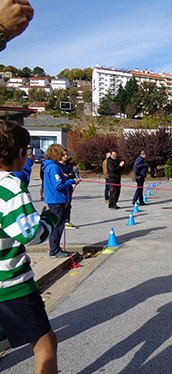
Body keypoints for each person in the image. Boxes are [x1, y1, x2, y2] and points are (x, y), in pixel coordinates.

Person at [0, 120, 59, 374]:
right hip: (11, 284)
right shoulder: (11, 187)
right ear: (22, 153)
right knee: (45, 344)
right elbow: (31, 234)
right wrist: (49, 217)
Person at [42, 144, 79, 258]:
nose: (64, 156)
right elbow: (59, 185)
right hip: (56, 200)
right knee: (57, 226)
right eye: (62, 154)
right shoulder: (53, 167)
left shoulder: (50, 166)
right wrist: (72, 181)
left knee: (57, 226)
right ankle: (54, 251)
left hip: (56, 199)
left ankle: (56, 248)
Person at [59, 149, 76, 229]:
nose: (66, 156)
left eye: (66, 154)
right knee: (61, 205)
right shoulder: (57, 166)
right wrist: (64, 175)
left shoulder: (68, 165)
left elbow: (73, 175)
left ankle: (67, 221)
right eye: (64, 154)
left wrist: (68, 176)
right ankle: (59, 221)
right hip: (61, 188)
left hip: (68, 187)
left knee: (68, 204)